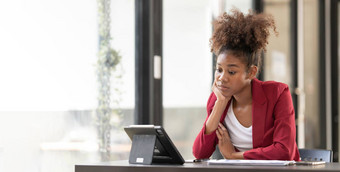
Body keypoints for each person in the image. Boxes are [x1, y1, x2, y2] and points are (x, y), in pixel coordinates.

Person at [192, 9, 300, 160]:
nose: (222, 78)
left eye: (231, 72)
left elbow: (284, 151)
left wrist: (233, 155)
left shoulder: (277, 93)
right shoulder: (217, 100)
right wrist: (220, 104)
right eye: (219, 70)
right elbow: (200, 153)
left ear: (251, 72)